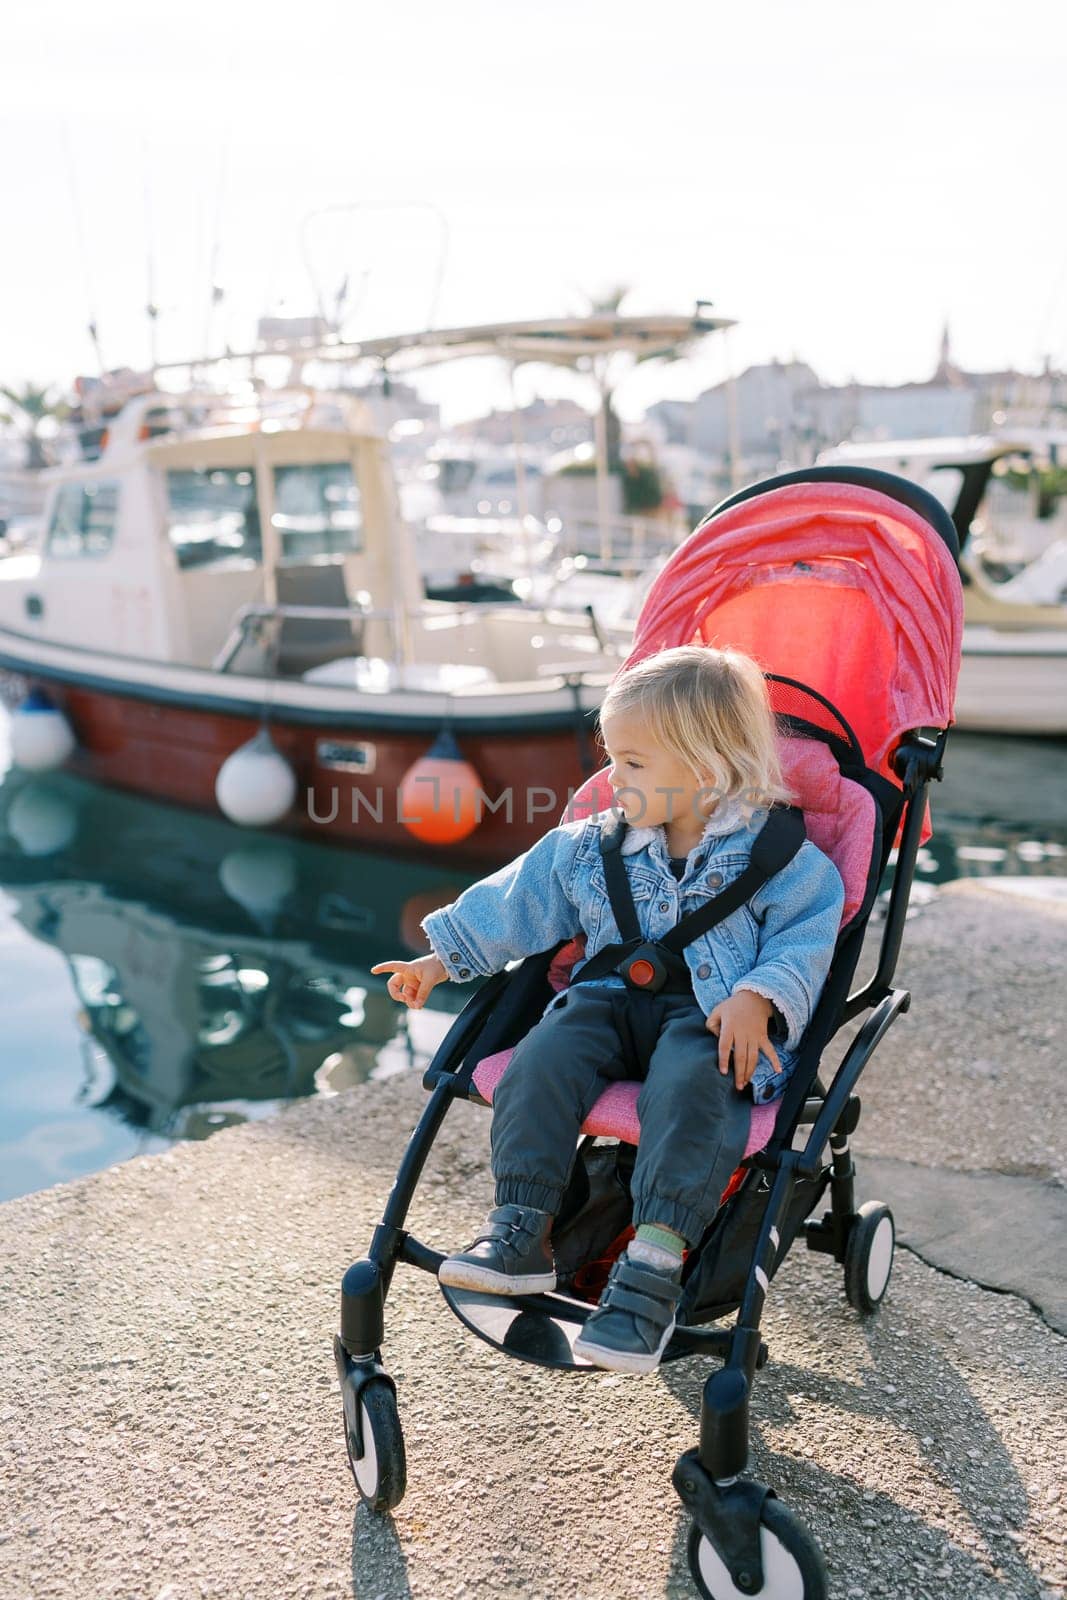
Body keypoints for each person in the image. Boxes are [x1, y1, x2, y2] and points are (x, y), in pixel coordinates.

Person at [371, 646, 844, 1375]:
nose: (609, 780)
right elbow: (516, 901)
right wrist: (440, 960)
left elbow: (806, 940)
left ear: (707, 771)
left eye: (631, 764)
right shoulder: (593, 847)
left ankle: (652, 1267)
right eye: (612, 759)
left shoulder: (784, 859)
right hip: (609, 999)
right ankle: (521, 1226)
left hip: (713, 1014)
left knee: (697, 1084)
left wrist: (759, 996)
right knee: (545, 1054)